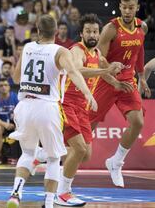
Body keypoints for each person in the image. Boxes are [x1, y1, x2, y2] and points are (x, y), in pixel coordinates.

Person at [6, 14, 97, 208]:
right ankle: (49, 203)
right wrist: (88, 93)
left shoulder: (28, 47)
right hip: (47, 107)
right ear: (56, 32)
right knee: (55, 158)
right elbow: (74, 72)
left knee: (28, 154)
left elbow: (15, 79)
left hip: (24, 107)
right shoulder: (60, 51)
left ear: (37, 31)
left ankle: (16, 193)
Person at [54, 14, 127, 206]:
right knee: (78, 149)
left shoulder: (97, 54)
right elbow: (77, 70)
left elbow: (106, 72)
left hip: (82, 108)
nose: (92, 34)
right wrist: (105, 71)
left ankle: (45, 154)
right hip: (67, 103)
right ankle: (63, 192)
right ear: (81, 33)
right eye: (88, 31)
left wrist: (117, 83)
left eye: (95, 31)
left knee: (85, 154)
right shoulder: (77, 50)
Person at [89, 0, 150, 188]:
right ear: (120, 6)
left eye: (131, 7)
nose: (127, 10)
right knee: (86, 128)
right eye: (124, 7)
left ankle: (116, 162)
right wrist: (111, 79)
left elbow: (139, 51)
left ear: (137, 8)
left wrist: (141, 77)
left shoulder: (142, 27)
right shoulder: (110, 29)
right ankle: (51, 153)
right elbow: (98, 59)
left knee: (138, 122)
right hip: (107, 80)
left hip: (127, 81)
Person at [0, 78, 19, 165]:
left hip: (14, 122)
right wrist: (5, 124)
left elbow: (21, 112)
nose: (3, 87)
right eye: (1, 86)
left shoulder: (15, 97)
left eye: (6, 85)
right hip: (0, 123)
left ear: (9, 87)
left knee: (22, 128)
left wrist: (15, 122)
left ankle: (18, 155)